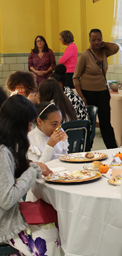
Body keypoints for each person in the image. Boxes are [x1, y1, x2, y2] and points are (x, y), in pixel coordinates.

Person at [0, 95, 62, 255]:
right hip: (4, 225)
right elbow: (7, 199)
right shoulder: (2, 152)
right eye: (28, 125)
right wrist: (34, 171)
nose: (29, 129)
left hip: (8, 217)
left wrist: (30, 166)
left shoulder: (6, 146)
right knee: (54, 234)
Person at [73, 28, 118, 149]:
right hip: (88, 94)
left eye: (99, 39)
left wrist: (104, 44)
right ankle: (85, 150)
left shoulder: (104, 52)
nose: (96, 42)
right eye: (93, 40)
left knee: (105, 124)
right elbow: (76, 78)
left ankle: (114, 150)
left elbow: (115, 48)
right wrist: (82, 97)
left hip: (102, 92)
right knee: (89, 124)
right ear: (89, 41)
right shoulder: (84, 56)